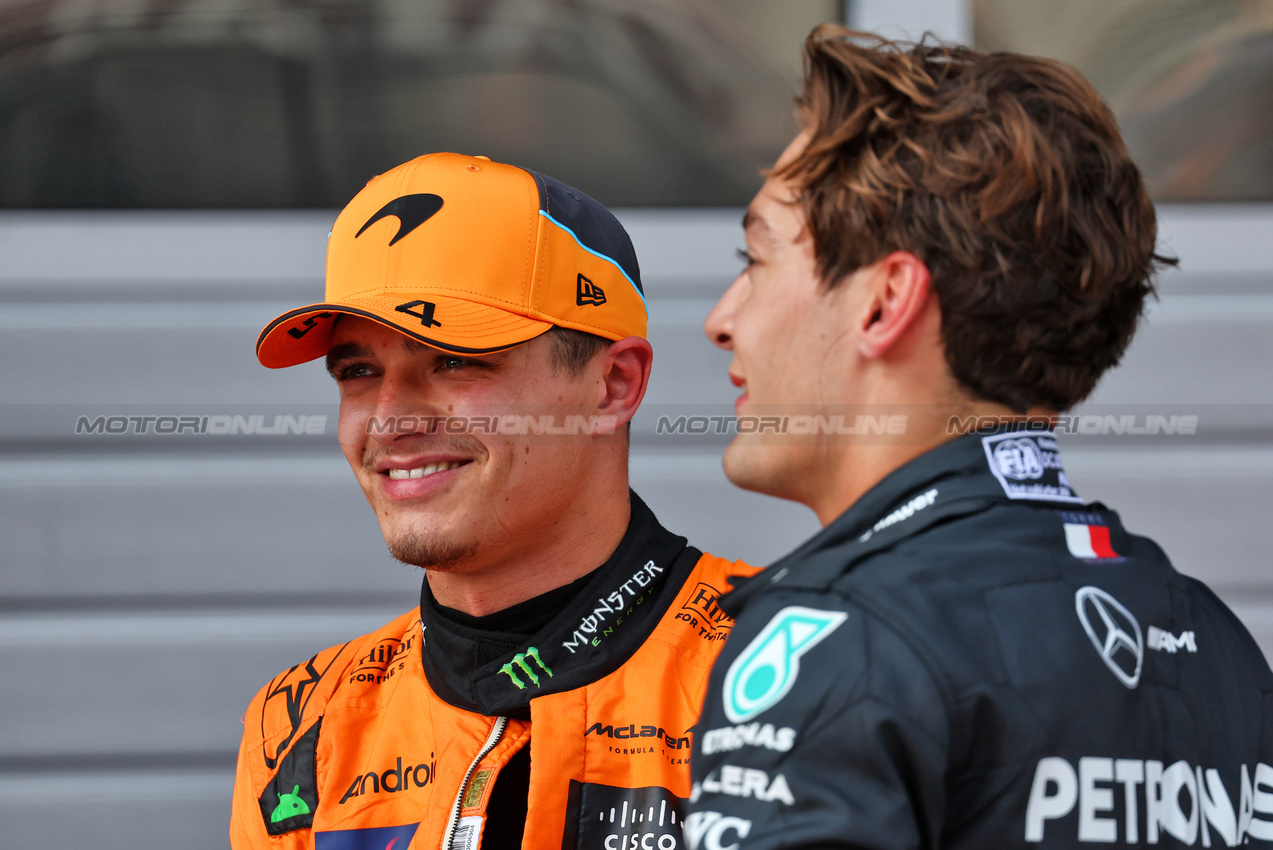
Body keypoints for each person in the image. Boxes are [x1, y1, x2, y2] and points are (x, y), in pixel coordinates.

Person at [686, 26, 1273, 850]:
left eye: (754, 258)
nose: (722, 320)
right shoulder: (1215, 648)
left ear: (884, 302)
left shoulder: (837, 637)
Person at [229, 152, 756, 849]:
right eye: (358, 371)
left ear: (613, 387)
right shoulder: (301, 720)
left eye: (453, 360)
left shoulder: (782, 666)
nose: (389, 420)